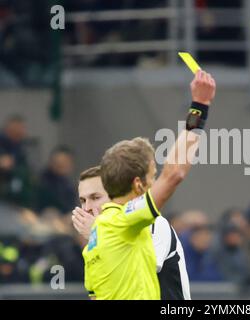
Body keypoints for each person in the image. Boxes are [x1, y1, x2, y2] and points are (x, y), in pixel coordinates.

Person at [82, 70, 216, 300]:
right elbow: (174, 174)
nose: (156, 182)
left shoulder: (94, 239)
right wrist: (200, 105)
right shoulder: (127, 221)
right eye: (153, 176)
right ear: (138, 184)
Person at [72, 166, 191, 300]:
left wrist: (98, 236)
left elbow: (134, 275)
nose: (87, 208)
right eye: (83, 200)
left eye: (95, 197)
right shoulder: (93, 245)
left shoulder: (152, 224)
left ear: (115, 196)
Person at [36, 146, 77, 215]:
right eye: (59, 162)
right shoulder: (43, 182)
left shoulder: (67, 184)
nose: (62, 164)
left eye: (66, 161)